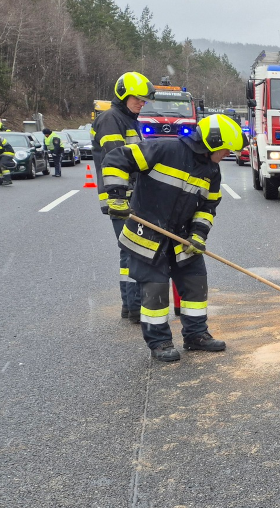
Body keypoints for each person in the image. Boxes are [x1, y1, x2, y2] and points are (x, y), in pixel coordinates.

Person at [102, 113, 243, 363]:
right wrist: (116, 195)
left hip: (182, 238)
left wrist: (199, 234)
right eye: (224, 149)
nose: (226, 155)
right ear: (210, 142)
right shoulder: (163, 150)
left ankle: (196, 335)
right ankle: (159, 342)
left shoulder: (212, 170)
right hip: (147, 237)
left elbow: (208, 207)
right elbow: (116, 159)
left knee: (196, 284)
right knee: (155, 290)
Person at [94, 72, 151, 322]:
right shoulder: (111, 119)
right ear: (123, 95)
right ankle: (135, 307)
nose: (142, 103)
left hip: (130, 197)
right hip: (121, 198)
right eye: (138, 99)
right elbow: (117, 157)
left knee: (129, 253)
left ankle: (130, 306)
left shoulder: (129, 120)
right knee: (134, 251)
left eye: (144, 100)